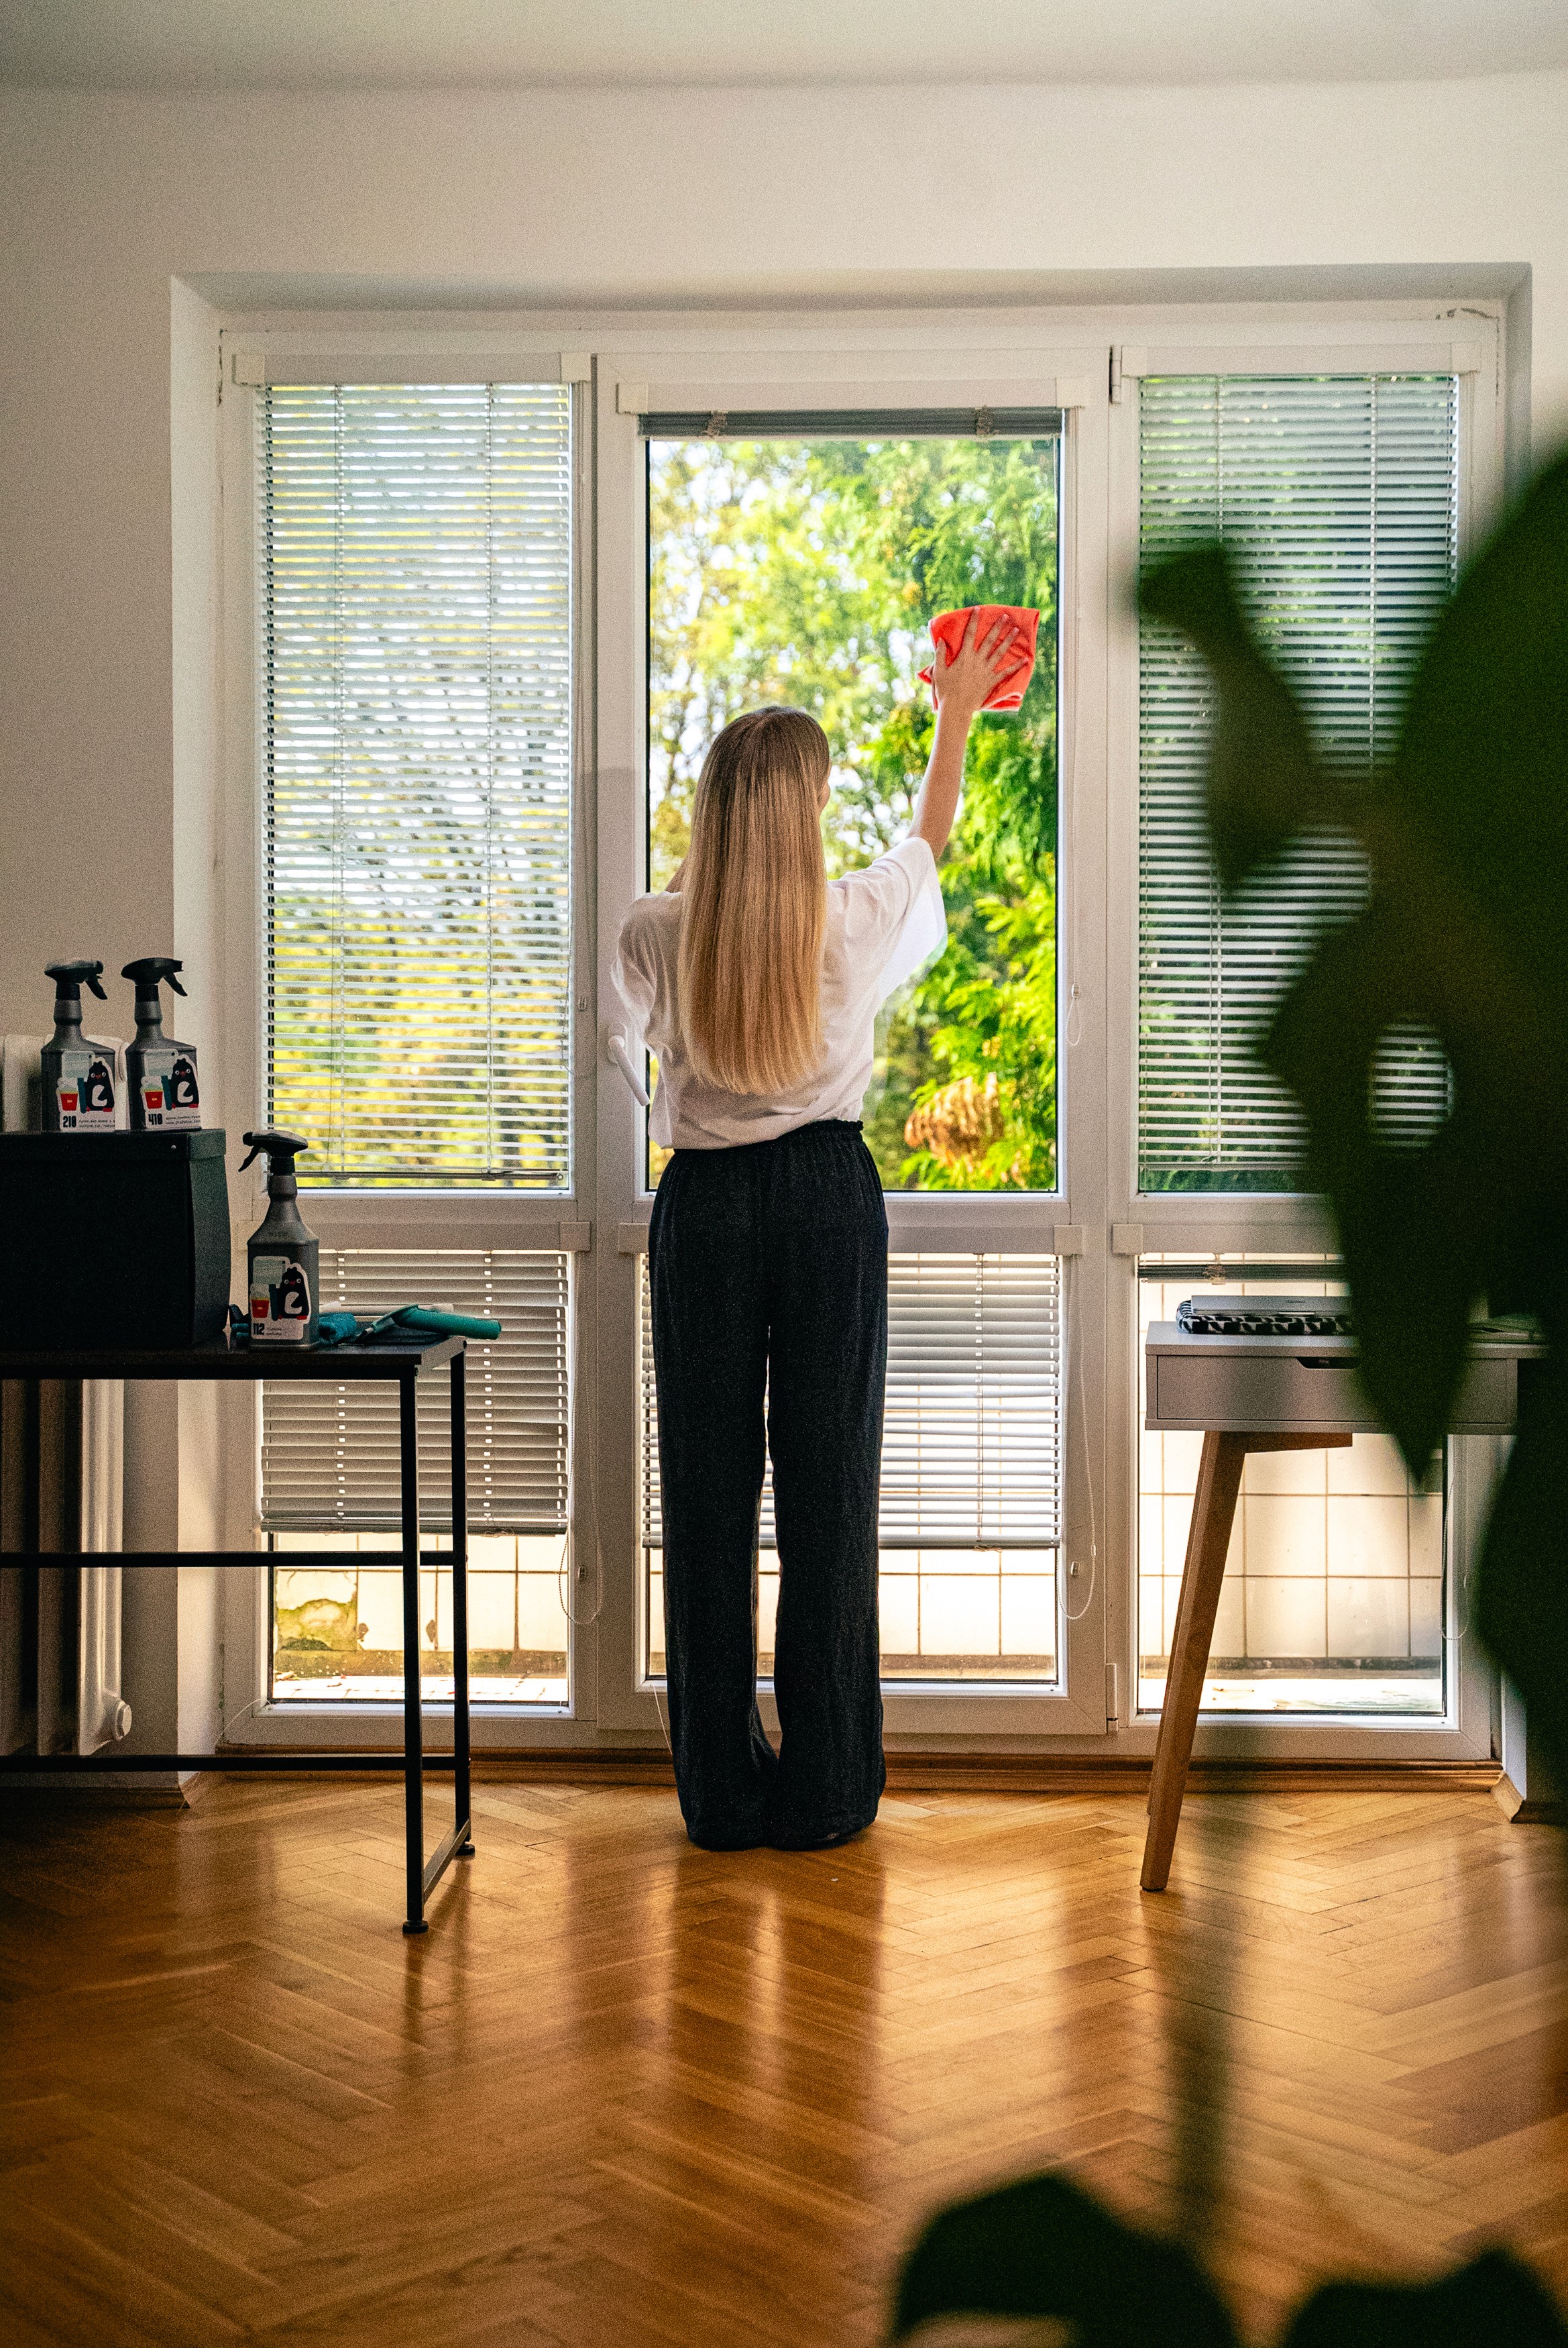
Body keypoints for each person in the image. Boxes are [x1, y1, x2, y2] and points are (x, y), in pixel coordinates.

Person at [611, 612, 1022, 1851]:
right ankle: (830, 1788)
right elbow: (930, 835)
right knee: (829, 1490)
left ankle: (719, 1796)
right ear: (803, 813)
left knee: (707, 1492)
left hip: (708, 1207)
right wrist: (952, 710)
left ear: (717, 814)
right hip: (830, 1203)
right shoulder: (850, 919)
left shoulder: (656, 927)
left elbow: (617, 1053)